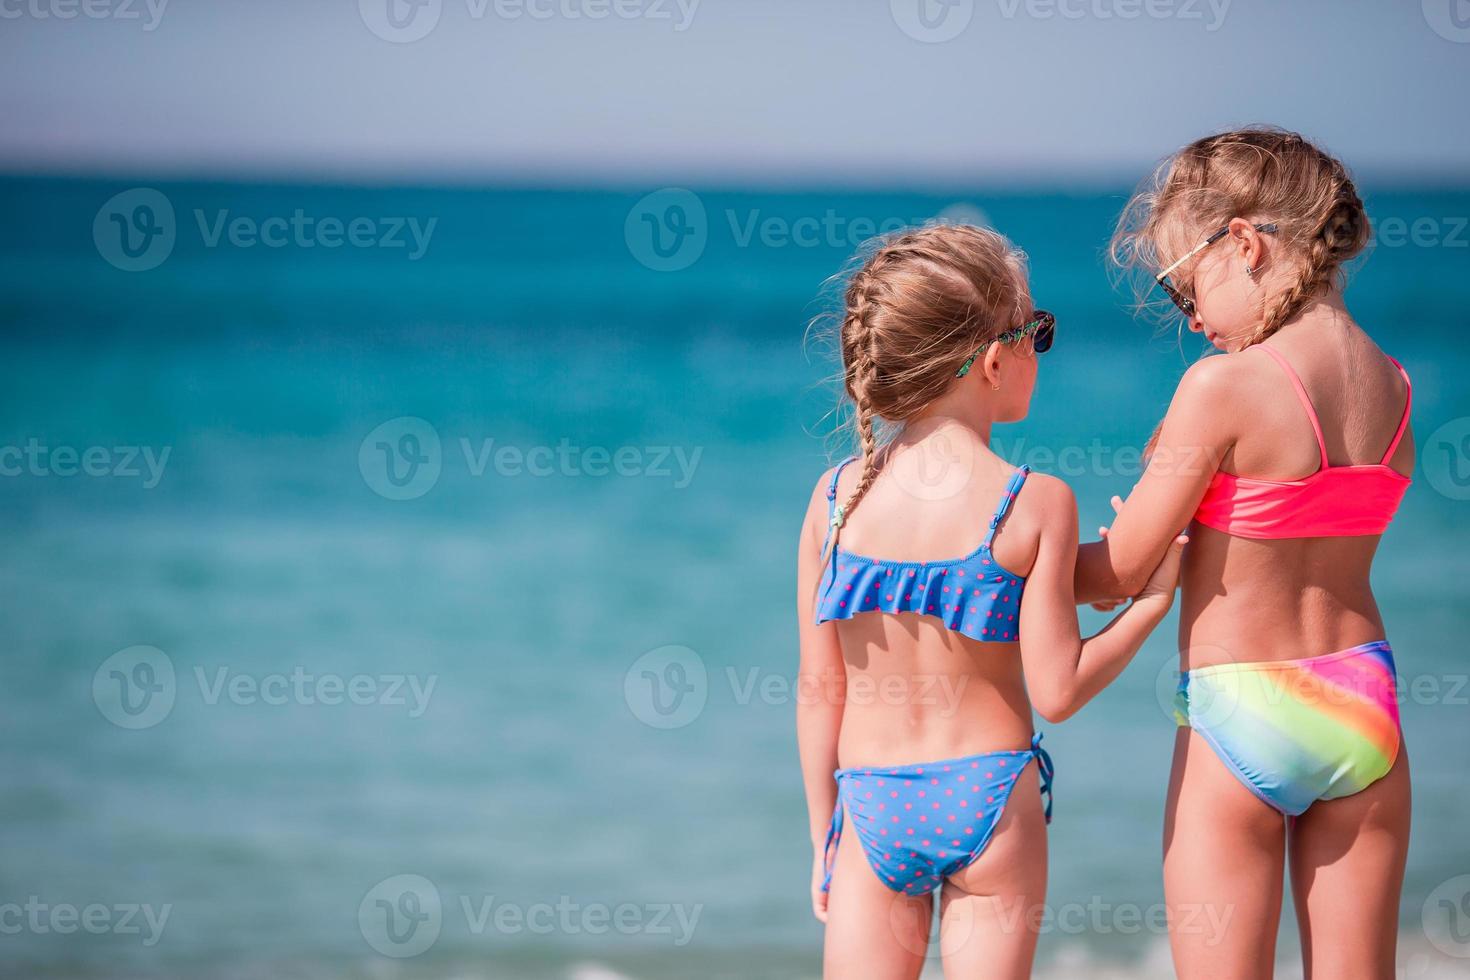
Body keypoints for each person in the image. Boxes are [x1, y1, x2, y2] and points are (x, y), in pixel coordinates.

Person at [796, 223, 1186, 979]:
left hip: (869, 805)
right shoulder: (1034, 503)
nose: (1041, 349)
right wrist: (1152, 603)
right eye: (1037, 330)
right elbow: (1059, 688)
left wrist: (825, 834)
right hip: (988, 800)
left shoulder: (835, 498)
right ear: (993, 358)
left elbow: (819, 692)